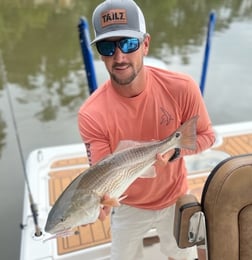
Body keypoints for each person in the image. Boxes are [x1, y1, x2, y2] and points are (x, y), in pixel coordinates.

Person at [78, 0, 215, 259]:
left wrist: (175, 153)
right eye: (108, 47)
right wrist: (98, 204)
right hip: (128, 202)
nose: (119, 57)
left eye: (129, 44)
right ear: (100, 53)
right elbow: (101, 171)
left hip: (174, 195)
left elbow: (207, 137)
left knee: (182, 256)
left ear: (146, 44)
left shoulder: (182, 88)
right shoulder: (90, 114)